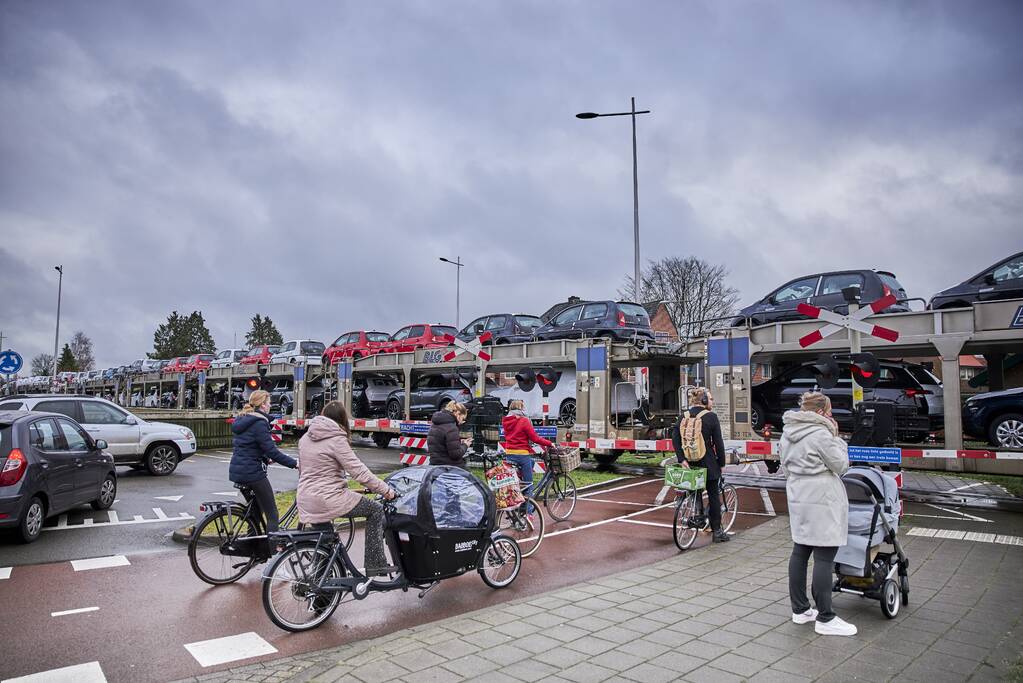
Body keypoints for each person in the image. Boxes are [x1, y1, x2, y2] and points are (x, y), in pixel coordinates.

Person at [781, 391, 856, 637]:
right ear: (822, 412)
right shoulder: (822, 434)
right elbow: (841, 465)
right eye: (830, 411)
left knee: (800, 551)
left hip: (798, 494)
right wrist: (838, 439)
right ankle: (826, 617)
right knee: (824, 556)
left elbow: (784, 466)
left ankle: (800, 609)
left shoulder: (788, 434)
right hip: (822, 497)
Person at [297, 401, 397, 577]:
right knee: (375, 510)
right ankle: (376, 564)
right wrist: (386, 491)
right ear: (342, 419)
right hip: (329, 498)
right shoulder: (336, 440)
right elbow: (359, 473)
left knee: (325, 542)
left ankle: (322, 592)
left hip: (306, 498)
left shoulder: (305, 438)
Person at [229, 390, 298, 536]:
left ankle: (253, 550)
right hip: (253, 473)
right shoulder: (259, 423)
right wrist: (295, 464)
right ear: (262, 405)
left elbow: (249, 447)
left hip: (237, 471)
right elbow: (272, 451)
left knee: (255, 512)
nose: (270, 406)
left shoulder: (243, 419)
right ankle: (273, 553)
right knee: (272, 513)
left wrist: (265, 459)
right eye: (268, 403)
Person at [671, 387, 730, 543]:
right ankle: (717, 531)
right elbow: (719, 443)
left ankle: (697, 515)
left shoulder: (683, 416)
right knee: (713, 495)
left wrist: (681, 459)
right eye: (710, 399)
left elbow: (675, 438)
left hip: (689, 463)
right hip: (708, 462)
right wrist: (721, 463)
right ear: (704, 401)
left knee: (694, 489)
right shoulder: (711, 417)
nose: (712, 401)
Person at [501, 399, 554, 515]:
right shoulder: (524, 421)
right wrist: (549, 443)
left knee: (531, 464)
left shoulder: (505, 421)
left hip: (509, 454)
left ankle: (521, 496)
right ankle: (529, 513)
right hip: (521, 455)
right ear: (521, 409)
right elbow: (535, 438)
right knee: (529, 484)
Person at [427, 401, 471, 468]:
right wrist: (465, 445)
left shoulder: (435, 424)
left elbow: (441, 445)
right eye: (463, 418)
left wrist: (458, 442)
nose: (462, 421)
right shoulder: (452, 428)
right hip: (450, 468)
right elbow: (456, 454)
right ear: (458, 414)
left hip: (435, 466)